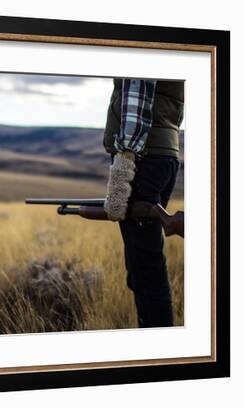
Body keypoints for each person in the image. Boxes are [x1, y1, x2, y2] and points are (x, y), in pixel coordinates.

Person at [103, 78, 184, 328]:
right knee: (143, 266)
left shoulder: (144, 47)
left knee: (146, 271)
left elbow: (137, 91)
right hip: (163, 155)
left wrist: (124, 162)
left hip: (141, 156)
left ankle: (160, 351)